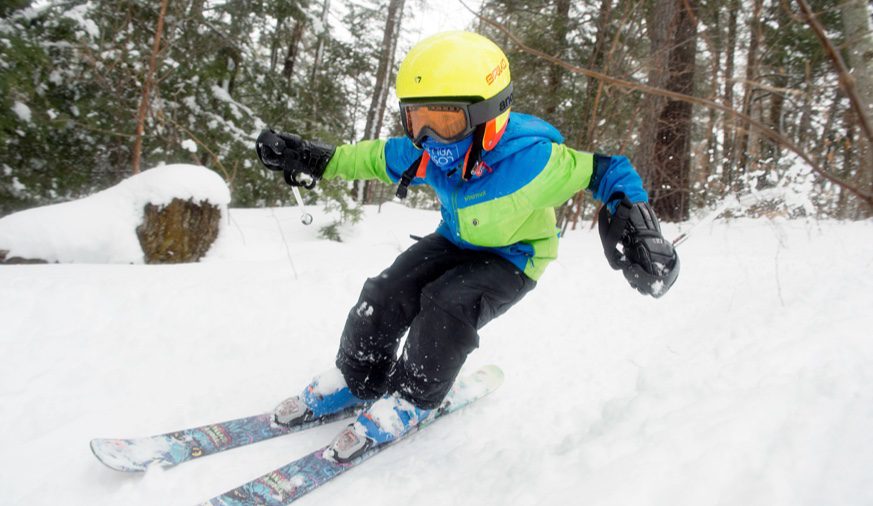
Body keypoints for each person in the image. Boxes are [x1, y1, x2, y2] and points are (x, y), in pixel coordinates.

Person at [255, 31, 679, 462]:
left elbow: (606, 171)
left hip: (515, 256)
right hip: (456, 239)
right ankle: (356, 377)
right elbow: (373, 157)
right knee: (385, 291)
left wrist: (638, 227)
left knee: (446, 306)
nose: (430, 138)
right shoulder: (428, 151)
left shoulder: (534, 161)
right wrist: (313, 157)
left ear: (489, 116)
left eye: (447, 121)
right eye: (417, 120)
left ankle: (413, 398)